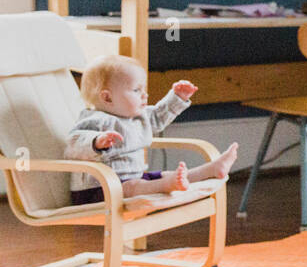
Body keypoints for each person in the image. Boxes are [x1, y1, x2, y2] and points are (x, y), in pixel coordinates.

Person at [64, 54, 238, 205]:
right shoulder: (97, 120)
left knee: (160, 176)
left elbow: (157, 116)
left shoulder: (137, 117)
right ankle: (167, 184)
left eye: (143, 89)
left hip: (134, 180)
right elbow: (73, 144)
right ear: (107, 97)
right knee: (135, 186)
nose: (144, 95)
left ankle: (211, 170)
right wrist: (96, 142)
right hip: (98, 190)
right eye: (136, 90)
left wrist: (176, 98)